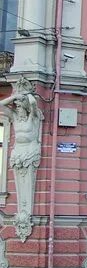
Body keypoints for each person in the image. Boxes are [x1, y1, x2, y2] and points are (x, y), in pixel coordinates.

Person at [0, 78, 43, 241]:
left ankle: (26, 213)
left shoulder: (32, 117)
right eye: (17, 107)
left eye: (20, 107)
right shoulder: (15, 118)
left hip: (29, 151)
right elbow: (1, 105)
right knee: (19, 182)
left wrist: (26, 95)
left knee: (27, 183)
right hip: (18, 151)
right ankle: (23, 212)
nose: (18, 109)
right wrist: (14, 96)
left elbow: (33, 105)